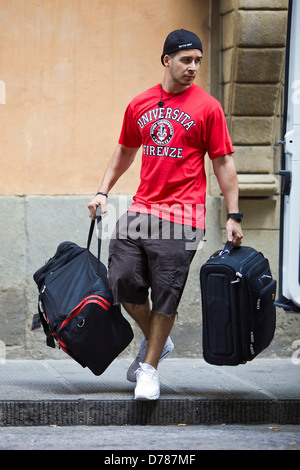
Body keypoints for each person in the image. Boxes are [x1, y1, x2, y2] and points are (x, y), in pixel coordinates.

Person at [87, 29, 243, 400]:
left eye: (198, 61)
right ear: (167, 60)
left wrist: (234, 214)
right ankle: (160, 341)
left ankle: (149, 369)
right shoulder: (140, 104)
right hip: (142, 208)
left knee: (167, 295)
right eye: (186, 60)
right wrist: (102, 190)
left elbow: (223, 163)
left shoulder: (208, 107)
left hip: (185, 215)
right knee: (122, 280)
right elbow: (125, 149)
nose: (193, 67)